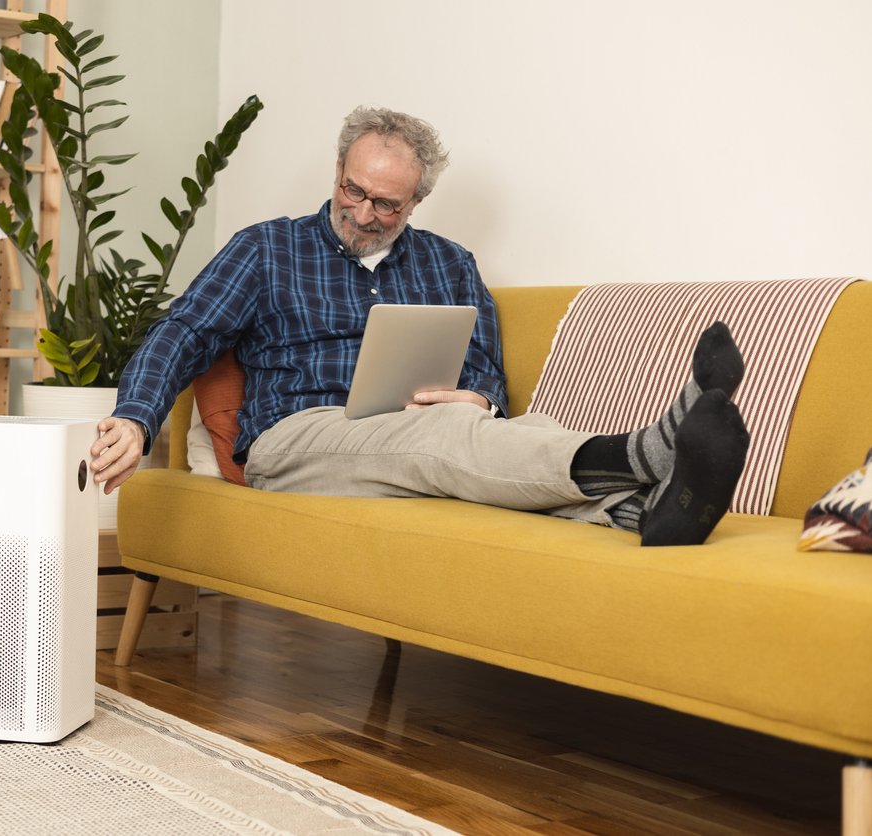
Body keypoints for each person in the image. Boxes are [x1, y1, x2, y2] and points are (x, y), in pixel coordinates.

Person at [89, 106, 749, 546]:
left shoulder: (449, 264)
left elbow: (485, 367)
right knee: (439, 438)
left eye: (386, 203)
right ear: (337, 172)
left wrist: (479, 398)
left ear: (417, 200)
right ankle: (644, 451)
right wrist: (135, 416)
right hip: (296, 440)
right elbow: (184, 331)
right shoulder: (265, 249)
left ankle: (649, 513)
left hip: (419, 431)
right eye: (353, 190)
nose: (362, 212)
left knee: (505, 433)